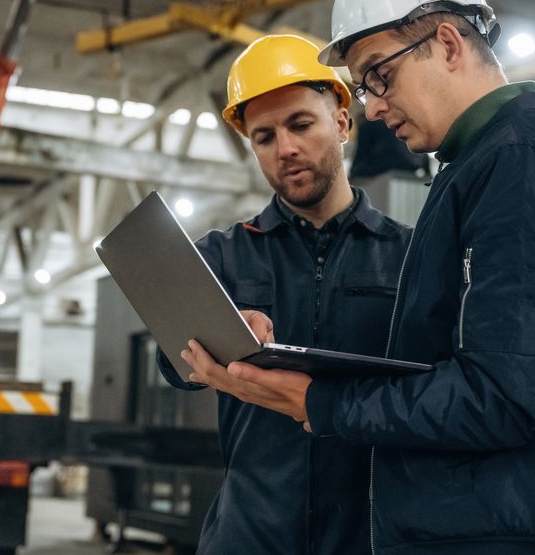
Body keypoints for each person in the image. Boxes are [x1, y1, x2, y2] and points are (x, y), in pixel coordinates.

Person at [181, 0, 535, 554]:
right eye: (365, 86)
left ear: (449, 44)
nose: (376, 105)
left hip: (525, 533)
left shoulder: (524, 165)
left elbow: (504, 396)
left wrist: (321, 402)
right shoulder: (482, 168)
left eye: (379, 74)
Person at [156, 34, 411, 554]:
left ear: (341, 123)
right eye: (264, 137)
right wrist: (218, 336)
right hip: (250, 534)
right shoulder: (221, 256)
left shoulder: (409, 254)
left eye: (300, 124)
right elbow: (173, 362)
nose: (285, 149)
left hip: (369, 536)